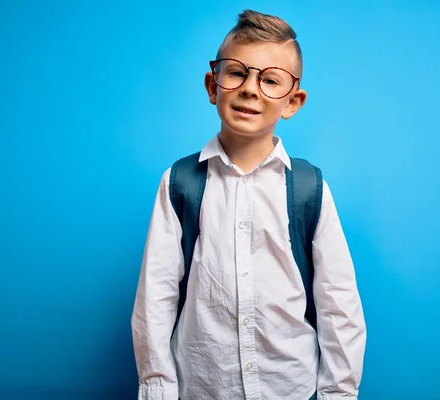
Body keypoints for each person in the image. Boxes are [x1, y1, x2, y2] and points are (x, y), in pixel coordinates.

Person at [131, 9, 366, 400]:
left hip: (289, 387)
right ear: (213, 86)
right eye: (237, 72)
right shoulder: (179, 183)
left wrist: (338, 393)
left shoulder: (308, 187)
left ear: (293, 102)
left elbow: (338, 304)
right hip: (203, 388)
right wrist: (158, 391)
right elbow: (155, 298)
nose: (251, 89)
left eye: (270, 80)